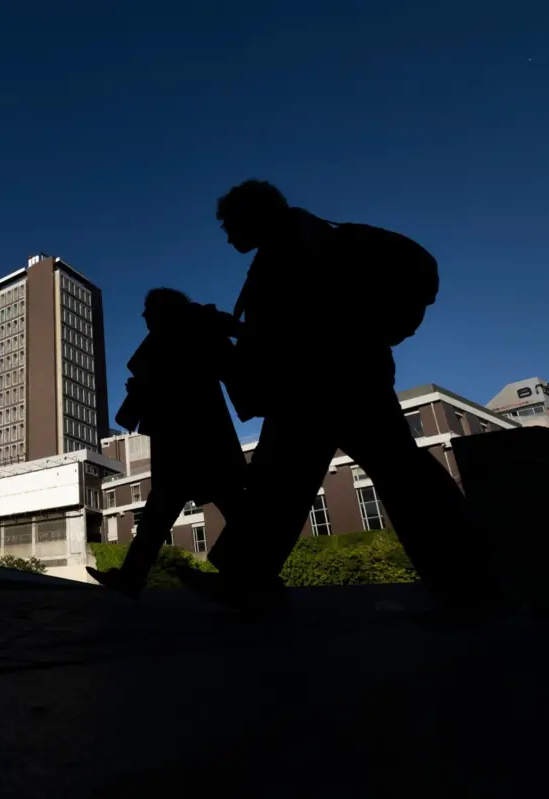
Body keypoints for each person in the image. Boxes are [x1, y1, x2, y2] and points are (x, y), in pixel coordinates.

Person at [179, 180, 496, 618]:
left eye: (231, 224)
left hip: (329, 382)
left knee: (377, 476)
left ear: (255, 215)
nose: (228, 235)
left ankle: (473, 584)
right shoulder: (297, 242)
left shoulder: (300, 243)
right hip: (325, 381)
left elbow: (302, 324)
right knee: (292, 480)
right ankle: (471, 581)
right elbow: (287, 326)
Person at [86, 288, 247, 599]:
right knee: (185, 508)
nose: (144, 316)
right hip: (188, 436)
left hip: (191, 435)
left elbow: (206, 371)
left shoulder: (186, 332)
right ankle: (132, 577)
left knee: (216, 505)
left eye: (148, 310)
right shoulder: (184, 332)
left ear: (163, 311)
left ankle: (252, 574)